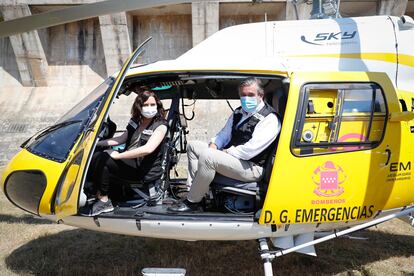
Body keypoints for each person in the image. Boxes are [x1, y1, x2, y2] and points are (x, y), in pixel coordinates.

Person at [169, 78, 281, 212]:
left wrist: (224, 152)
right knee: (193, 146)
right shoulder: (239, 112)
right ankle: (196, 192)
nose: (246, 99)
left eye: (250, 95)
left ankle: (193, 202)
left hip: (252, 167)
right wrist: (215, 145)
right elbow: (224, 134)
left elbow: (250, 150)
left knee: (209, 157)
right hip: (234, 159)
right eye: (243, 95)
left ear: (260, 96)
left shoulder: (270, 118)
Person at [81, 89, 168, 216]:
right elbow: (122, 138)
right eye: (146, 105)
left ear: (157, 105)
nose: (149, 108)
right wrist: (96, 144)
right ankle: (96, 192)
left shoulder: (161, 125)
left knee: (105, 158)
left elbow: (148, 149)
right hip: (130, 161)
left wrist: (118, 155)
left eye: (152, 104)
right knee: (95, 154)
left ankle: (104, 201)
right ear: (139, 106)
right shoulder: (136, 121)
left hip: (143, 168)